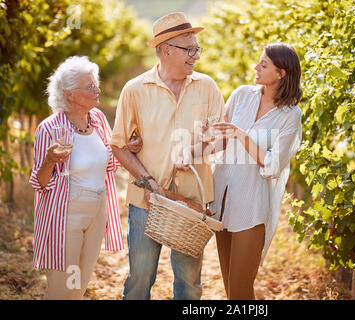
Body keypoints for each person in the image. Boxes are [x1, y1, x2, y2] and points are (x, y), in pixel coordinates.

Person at [111, 12, 224, 300]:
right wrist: (147, 181)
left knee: (189, 284)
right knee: (139, 278)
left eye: (197, 48)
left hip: (191, 204)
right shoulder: (135, 90)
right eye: (189, 49)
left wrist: (196, 150)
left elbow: (221, 139)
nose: (195, 56)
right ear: (166, 50)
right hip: (146, 202)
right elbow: (119, 144)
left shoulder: (207, 87)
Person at [209, 43, 303, 300]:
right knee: (230, 285)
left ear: (281, 74)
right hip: (222, 199)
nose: (256, 67)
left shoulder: (290, 116)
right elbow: (220, 139)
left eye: (264, 65)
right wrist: (192, 152)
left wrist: (243, 136)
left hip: (252, 207)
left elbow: (273, 164)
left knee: (240, 287)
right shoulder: (241, 95)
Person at [29, 56, 124, 299]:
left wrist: (128, 146)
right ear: (69, 94)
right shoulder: (49, 129)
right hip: (66, 212)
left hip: (97, 208)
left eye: (96, 84)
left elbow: (109, 163)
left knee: (80, 283)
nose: (97, 90)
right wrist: (50, 161)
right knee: (63, 286)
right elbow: (40, 183)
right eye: (89, 86)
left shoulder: (99, 119)